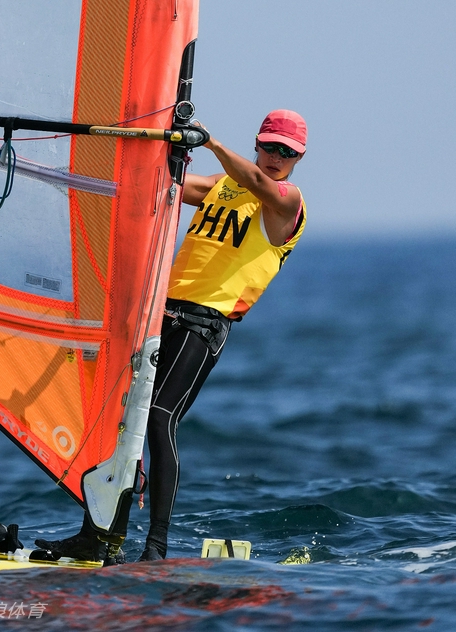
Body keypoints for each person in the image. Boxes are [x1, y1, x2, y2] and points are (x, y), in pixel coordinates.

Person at [36, 110, 308, 564]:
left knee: (160, 417)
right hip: (161, 313)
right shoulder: (222, 187)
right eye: (269, 147)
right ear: (257, 143)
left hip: (205, 323)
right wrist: (151, 143)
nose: (276, 157)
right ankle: (95, 535)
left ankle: (156, 547)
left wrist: (210, 142)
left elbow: (260, 184)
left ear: (298, 159)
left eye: (287, 152)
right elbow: (159, 181)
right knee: (116, 417)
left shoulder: (287, 202)